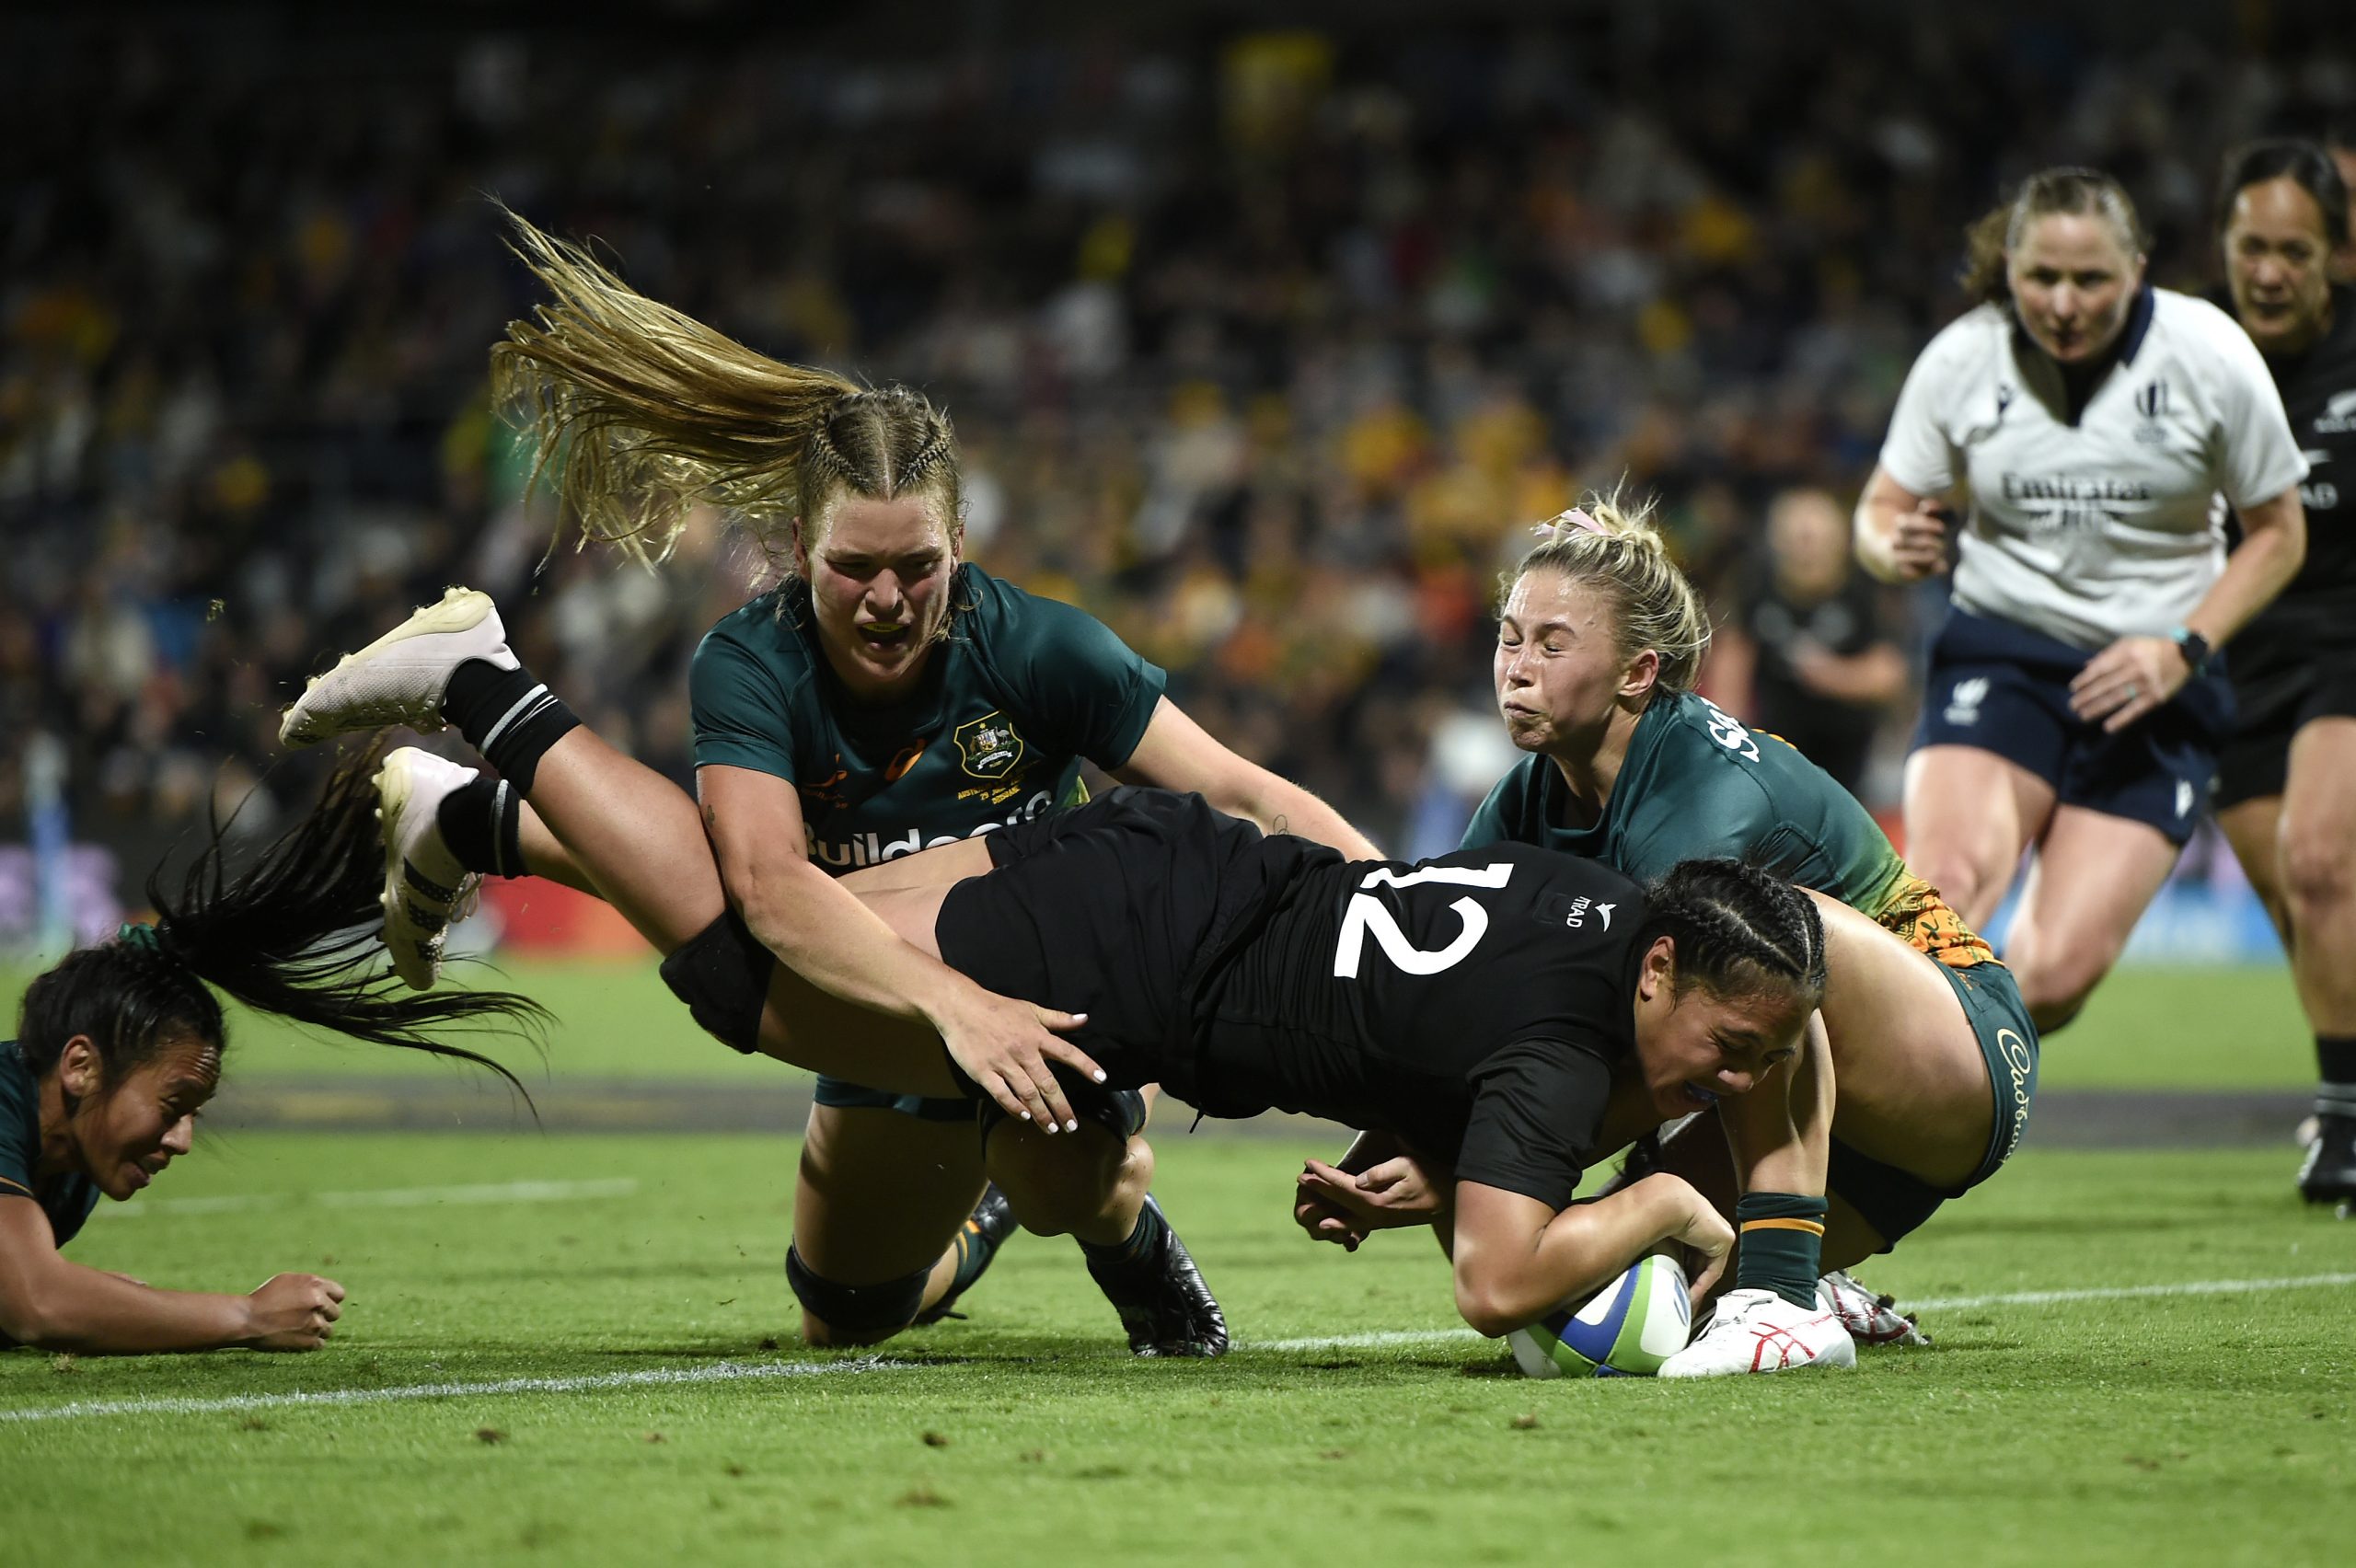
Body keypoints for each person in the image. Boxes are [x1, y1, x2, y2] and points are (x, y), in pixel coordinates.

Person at [346, 211, 1385, 1356]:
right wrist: (953, 1005)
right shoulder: (749, 660)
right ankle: (478, 808)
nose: (886, 599)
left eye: (917, 568)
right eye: (852, 568)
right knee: (847, 1319)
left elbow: (1245, 796)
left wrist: (1416, 924)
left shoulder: (1044, 651)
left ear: (961, 547)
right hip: (877, 997)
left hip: (1049, 1013)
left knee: (1070, 1170)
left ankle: (1127, 1243)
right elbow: (763, 888)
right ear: (797, 547)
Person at [276, 598, 1831, 1346]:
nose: (1739, 1075)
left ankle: (470, 811)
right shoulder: (1573, 1045)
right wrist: (1681, 1204)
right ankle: (484, 682)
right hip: (1129, 944)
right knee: (761, 967)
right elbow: (1500, 1283)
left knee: (1061, 1161)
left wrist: (1408, 1168)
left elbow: (1448, 1034)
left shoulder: (1581, 905)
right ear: (1666, 964)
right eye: (1739, 1041)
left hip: (1171, 906)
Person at [1292, 496, 2034, 1376]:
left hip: (1955, 1056)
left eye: (1552, 644)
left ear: (1638, 673)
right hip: (1811, 1116)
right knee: (1569, 1310)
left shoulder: (1702, 790)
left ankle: (1784, 1301)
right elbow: (1453, 1007)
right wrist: (1392, 1142)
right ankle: (1804, 1276)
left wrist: (1457, 1161)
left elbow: (1636, 1052)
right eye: (1508, 637)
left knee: (1755, 943)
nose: (1516, 669)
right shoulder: (1526, 801)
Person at [1856, 166, 2309, 1033]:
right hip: (2004, 652)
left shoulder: (2208, 353)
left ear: (2137, 268)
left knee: (2052, 980)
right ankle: (1873, 1139)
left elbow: (2279, 532)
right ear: (2010, 269)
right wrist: (1893, 546)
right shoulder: (1962, 358)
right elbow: (1878, 513)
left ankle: (1945, 1092)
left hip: (2161, 676)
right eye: (2042, 278)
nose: (2063, 304)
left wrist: (2185, 646)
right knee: (1943, 886)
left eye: (2090, 279)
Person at [1, 753, 541, 1354]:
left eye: (193, 1115)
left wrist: (100, 1302)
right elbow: (37, 1303)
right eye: (172, 1103)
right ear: (81, 1067)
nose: (181, 1140)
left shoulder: (72, 1161)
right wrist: (246, 1316)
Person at [2208, 141, 2356, 1205]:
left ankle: (2344, 1128)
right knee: (2295, 903)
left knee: (2320, 863)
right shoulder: (2189, 361)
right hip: (2229, 655)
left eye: (2293, 251)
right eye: (2251, 247)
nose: (2268, 271)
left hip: (2344, 638)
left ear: (2334, 257)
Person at [1711, 487, 1909, 797]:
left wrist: (1833, 676)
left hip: (1849, 751)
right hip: (1776, 750)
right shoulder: (1756, 586)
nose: (1806, 551)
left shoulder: (1862, 589)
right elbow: (1732, 664)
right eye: (1797, 539)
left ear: (1840, 541)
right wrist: (1726, 738)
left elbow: (1889, 675)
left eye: (1814, 538)